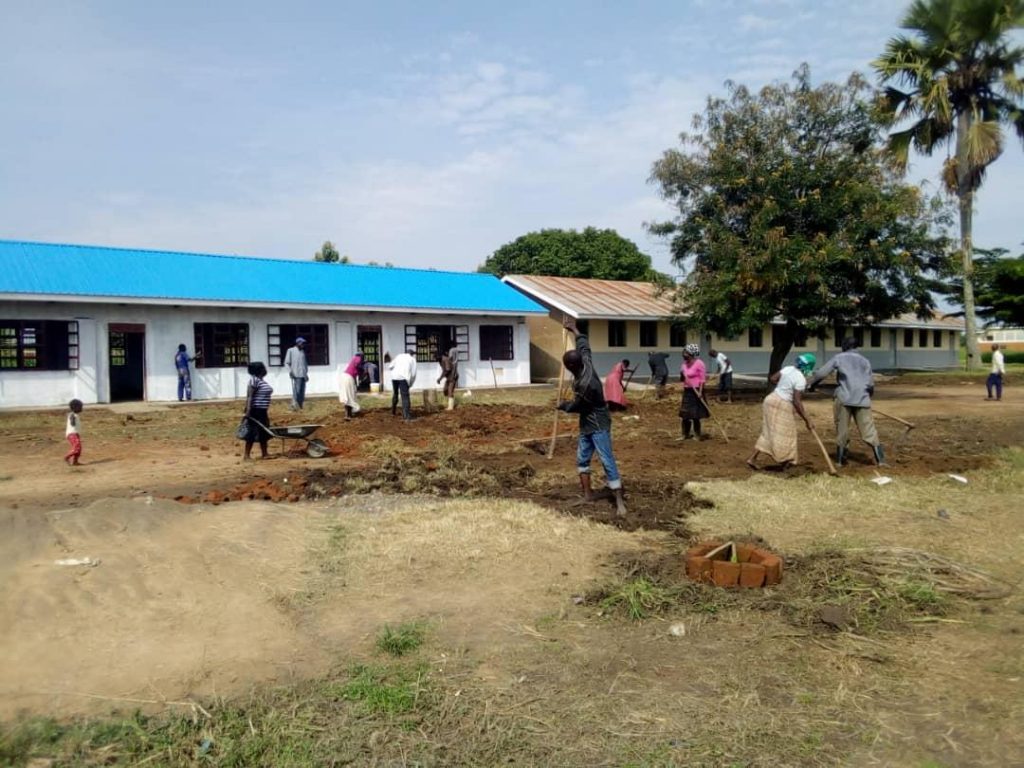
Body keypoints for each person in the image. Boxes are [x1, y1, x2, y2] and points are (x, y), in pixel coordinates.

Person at [558, 317, 627, 516]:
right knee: (582, 459)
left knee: (606, 459)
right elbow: (584, 344)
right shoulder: (585, 361)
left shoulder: (586, 384)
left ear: (571, 367)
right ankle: (587, 494)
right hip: (586, 423)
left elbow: (578, 406)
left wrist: (564, 406)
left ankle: (619, 500)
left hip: (598, 422)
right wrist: (574, 329)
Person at [807, 337, 885, 467]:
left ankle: (839, 461)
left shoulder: (839, 358)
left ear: (844, 346)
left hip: (844, 398)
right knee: (869, 430)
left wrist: (812, 385)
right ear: (856, 347)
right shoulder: (865, 361)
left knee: (842, 429)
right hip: (863, 399)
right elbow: (871, 384)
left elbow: (821, 374)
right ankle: (881, 460)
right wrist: (866, 397)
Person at [746, 353, 816, 470]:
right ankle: (786, 461)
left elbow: (772, 378)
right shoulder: (800, 379)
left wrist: (784, 385)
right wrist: (807, 420)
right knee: (788, 433)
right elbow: (797, 402)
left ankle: (752, 459)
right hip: (781, 404)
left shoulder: (788, 368)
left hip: (770, 399)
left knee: (768, 432)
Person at [679, 344, 710, 440]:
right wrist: (682, 375)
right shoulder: (684, 364)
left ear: (692, 354)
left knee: (695, 414)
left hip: (696, 391)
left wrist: (700, 392)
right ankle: (685, 434)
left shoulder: (699, 363)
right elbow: (682, 378)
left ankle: (697, 435)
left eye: (686, 352)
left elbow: (702, 379)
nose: (684, 354)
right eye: (684, 352)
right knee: (685, 414)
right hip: (687, 390)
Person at [243, 361, 273, 460]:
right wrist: (248, 411)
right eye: (263, 368)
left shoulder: (262, 381)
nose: (265, 370)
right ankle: (246, 455)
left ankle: (265, 454)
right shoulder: (254, 380)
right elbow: (250, 396)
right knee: (252, 432)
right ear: (259, 370)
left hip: (263, 411)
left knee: (263, 432)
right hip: (255, 411)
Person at [387, 349, 417, 421]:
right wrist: (410, 383)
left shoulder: (399, 356)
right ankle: (406, 417)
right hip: (403, 378)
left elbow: (390, 366)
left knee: (395, 393)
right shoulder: (412, 359)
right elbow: (413, 373)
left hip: (394, 377)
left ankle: (393, 412)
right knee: (405, 396)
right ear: (411, 354)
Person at [284, 337, 309, 411]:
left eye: (303, 343)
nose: (303, 345)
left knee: (302, 391)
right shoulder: (290, 350)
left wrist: (306, 374)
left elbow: (305, 364)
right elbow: (286, 363)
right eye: (302, 343)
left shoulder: (302, 352)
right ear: (298, 343)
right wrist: (290, 372)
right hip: (296, 374)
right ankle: (293, 406)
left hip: (303, 375)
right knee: (296, 391)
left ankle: (300, 406)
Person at [339, 353, 364, 419]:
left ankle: (348, 414)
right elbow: (357, 363)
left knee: (348, 396)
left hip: (345, 377)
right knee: (349, 396)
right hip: (348, 377)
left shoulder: (354, 362)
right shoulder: (357, 358)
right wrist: (360, 367)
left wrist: (356, 385)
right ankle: (348, 414)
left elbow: (355, 377)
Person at [65, 399, 83, 466]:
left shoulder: (75, 415)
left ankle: (75, 462)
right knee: (76, 448)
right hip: (72, 434)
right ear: (74, 407)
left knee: (79, 449)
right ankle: (67, 457)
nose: (81, 408)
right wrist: (73, 421)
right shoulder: (72, 415)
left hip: (76, 434)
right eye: (80, 407)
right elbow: (72, 422)